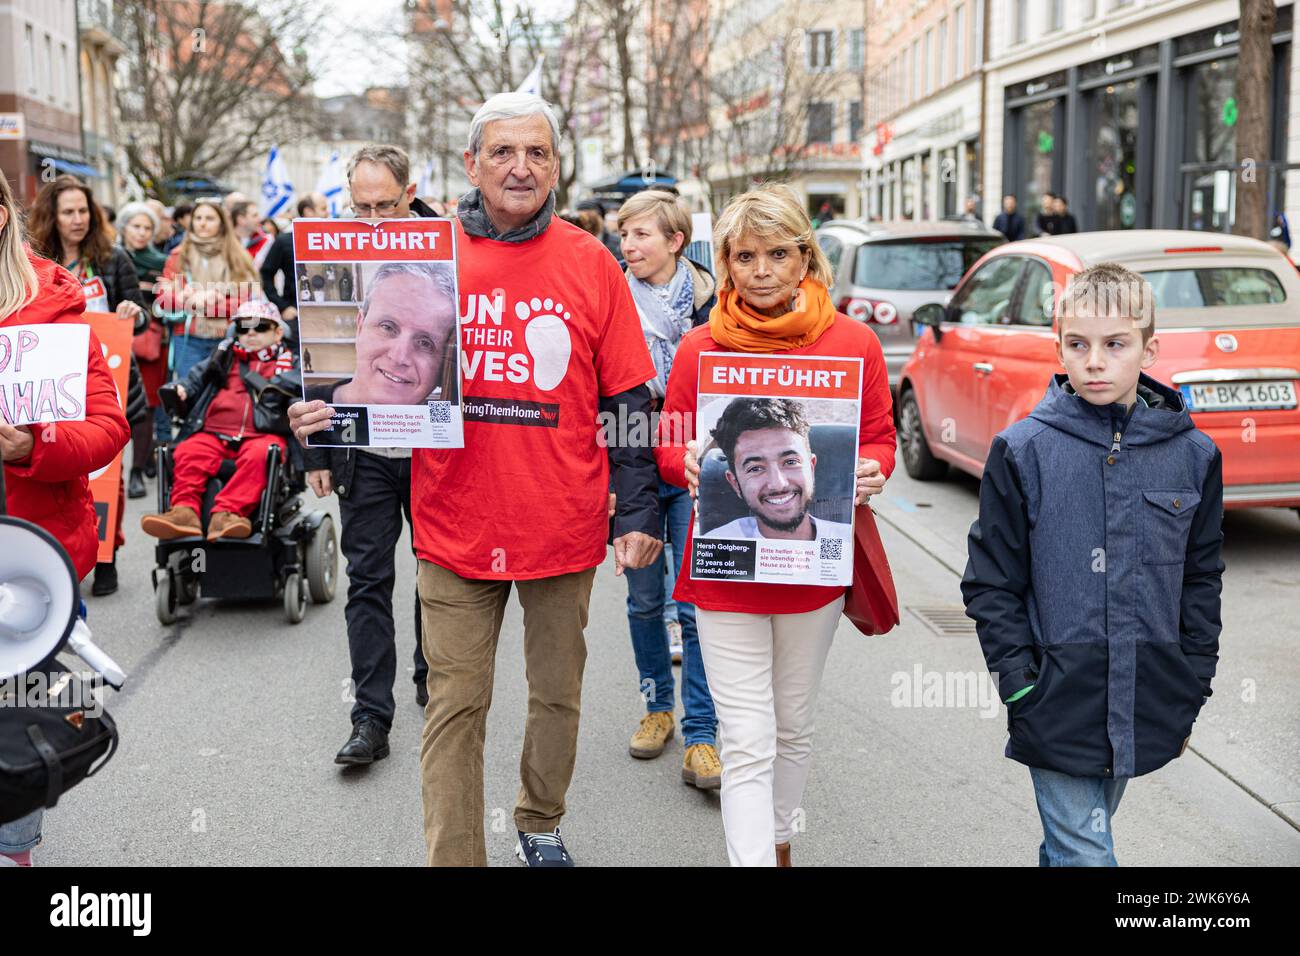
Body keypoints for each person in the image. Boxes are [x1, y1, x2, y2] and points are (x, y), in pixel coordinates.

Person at [290, 94, 662, 866]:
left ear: (556, 166)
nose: (520, 167)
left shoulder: (592, 261)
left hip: (562, 521)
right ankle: (456, 856)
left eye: (537, 153)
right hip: (452, 525)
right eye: (502, 152)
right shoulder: (430, 253)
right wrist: (318, 423)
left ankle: (539, 819)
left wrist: (641, 509)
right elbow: (362, 370)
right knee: (455, 707)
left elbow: (628, 395)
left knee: (557, 696)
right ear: (471, 164)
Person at [655, 184, 895, 866]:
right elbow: (669, 445)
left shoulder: (854, 343)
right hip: (728, 575)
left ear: (805, 258)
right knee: (748, 737)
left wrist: (872, 470)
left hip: (811, 574)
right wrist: (690, 459)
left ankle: (780, 842)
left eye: (777, 254)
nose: (762, 270)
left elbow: (878, 437)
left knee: (792, 729)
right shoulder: (699, 349)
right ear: (726, 263)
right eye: (746, 255)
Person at [961, 263, 1223, 867]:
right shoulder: (1024, 451)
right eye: (1078, 345)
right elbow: (991, 580)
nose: (1095, 362)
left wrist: (1194, 679)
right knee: (1086, 851)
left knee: (1076, 841)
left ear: (1149, 348)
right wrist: (1021, 682)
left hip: (1149, 689)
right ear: (1058, 347)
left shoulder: (1193, 456)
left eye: (1115, 344)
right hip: (1054, 693)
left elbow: (1201, 577)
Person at [0, 170, 130, 865]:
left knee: (13, 718)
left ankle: (14, 851)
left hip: (30, 556)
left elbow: (108, 427)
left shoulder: (53, 306)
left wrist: (34, 446)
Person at [301, 145, 436, 767]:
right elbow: (317, 356)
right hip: (363, 448)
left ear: (411, 193)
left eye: (386, 205)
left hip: (435, 447)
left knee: (436, 573)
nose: (374, 220)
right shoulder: (331, 251)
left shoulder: (450, 248)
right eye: (362, 207)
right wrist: (317, 453)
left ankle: (431, 678)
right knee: (369, 580)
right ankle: (370, 717)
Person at [615, 189, 719, 784]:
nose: (628, 246)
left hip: (695, 459)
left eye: (642, 235)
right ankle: (657, 709)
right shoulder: (613, 300)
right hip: (633, 458)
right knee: (644, 600)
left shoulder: (713, 303)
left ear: (676, 241)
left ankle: (702, 733)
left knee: (697, 601)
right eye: (624, 235)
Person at [27, 175, 149, 596]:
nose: (77, 220)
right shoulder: (35, 263)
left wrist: (135, 310)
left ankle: (107, 554)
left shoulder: (113, 259)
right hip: (53, 382)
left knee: (107, 473)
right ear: (51, 217)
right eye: (68, 212)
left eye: (83, 211)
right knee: (64, 470)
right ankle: (65, 553)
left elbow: (140, 314)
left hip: (108, 378)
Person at [140, 300, 299, 541]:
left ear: (278, 332)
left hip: (262, 433)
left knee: (263, 453)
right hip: (215, 431)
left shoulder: (291, 364)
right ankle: (184, 513)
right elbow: (192, 380)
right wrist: (180, 389)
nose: (251, 333)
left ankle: (227, 514)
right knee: (188, 451)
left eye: (261, 327)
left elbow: (299, 398)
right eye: (244, 328)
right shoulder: (223, 356)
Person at [703, 398, 854, 541]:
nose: (778, 484)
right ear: (735, 484)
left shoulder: (848, 543)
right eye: (755, 469)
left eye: (790, 462)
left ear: (811, 468)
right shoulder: (717, 547)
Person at [154, 198, 262, 394]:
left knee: (222, 395)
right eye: (198, 218)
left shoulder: (237, 255)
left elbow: (245, 301)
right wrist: (199, 299)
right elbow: (164, 298)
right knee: (187, 394)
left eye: (210, 218)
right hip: (188, 338)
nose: (202, 223)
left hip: (227, 337)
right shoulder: (178, 255)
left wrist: (198, 302)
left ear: (221, 222)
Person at [332, 263, 457, 406]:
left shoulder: (452, 425)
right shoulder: (304, 413)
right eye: (387, 327)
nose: (399, 357)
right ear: (360, 326)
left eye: (425, 343)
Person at [117, 201, 171, 498]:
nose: (141, 233)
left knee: (146, 406)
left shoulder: (161, 261)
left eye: (147, 228)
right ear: (124, 227)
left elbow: (167, 306)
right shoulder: (107, 257)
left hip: (148, 341)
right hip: (110, 338)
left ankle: (136, 470)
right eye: (136, 226)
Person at [261, 192, 328, 336]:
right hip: (296, 317)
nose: (328, 213)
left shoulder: (331, 239)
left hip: (327, 313)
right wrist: (283, 307)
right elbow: (265, 275)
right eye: (323, 209)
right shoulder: (284, 241)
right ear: (308, 212)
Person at [577, 197, 623, 262]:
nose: (587, 222)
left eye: (592, 218)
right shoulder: (572, 245)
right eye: (582, 218)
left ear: (601, 219)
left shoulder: (618, 244)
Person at [230, 200, 272, 270]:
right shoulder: (224, 241)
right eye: (255, 216)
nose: (260, 219)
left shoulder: (266, 241)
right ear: (241, 219)